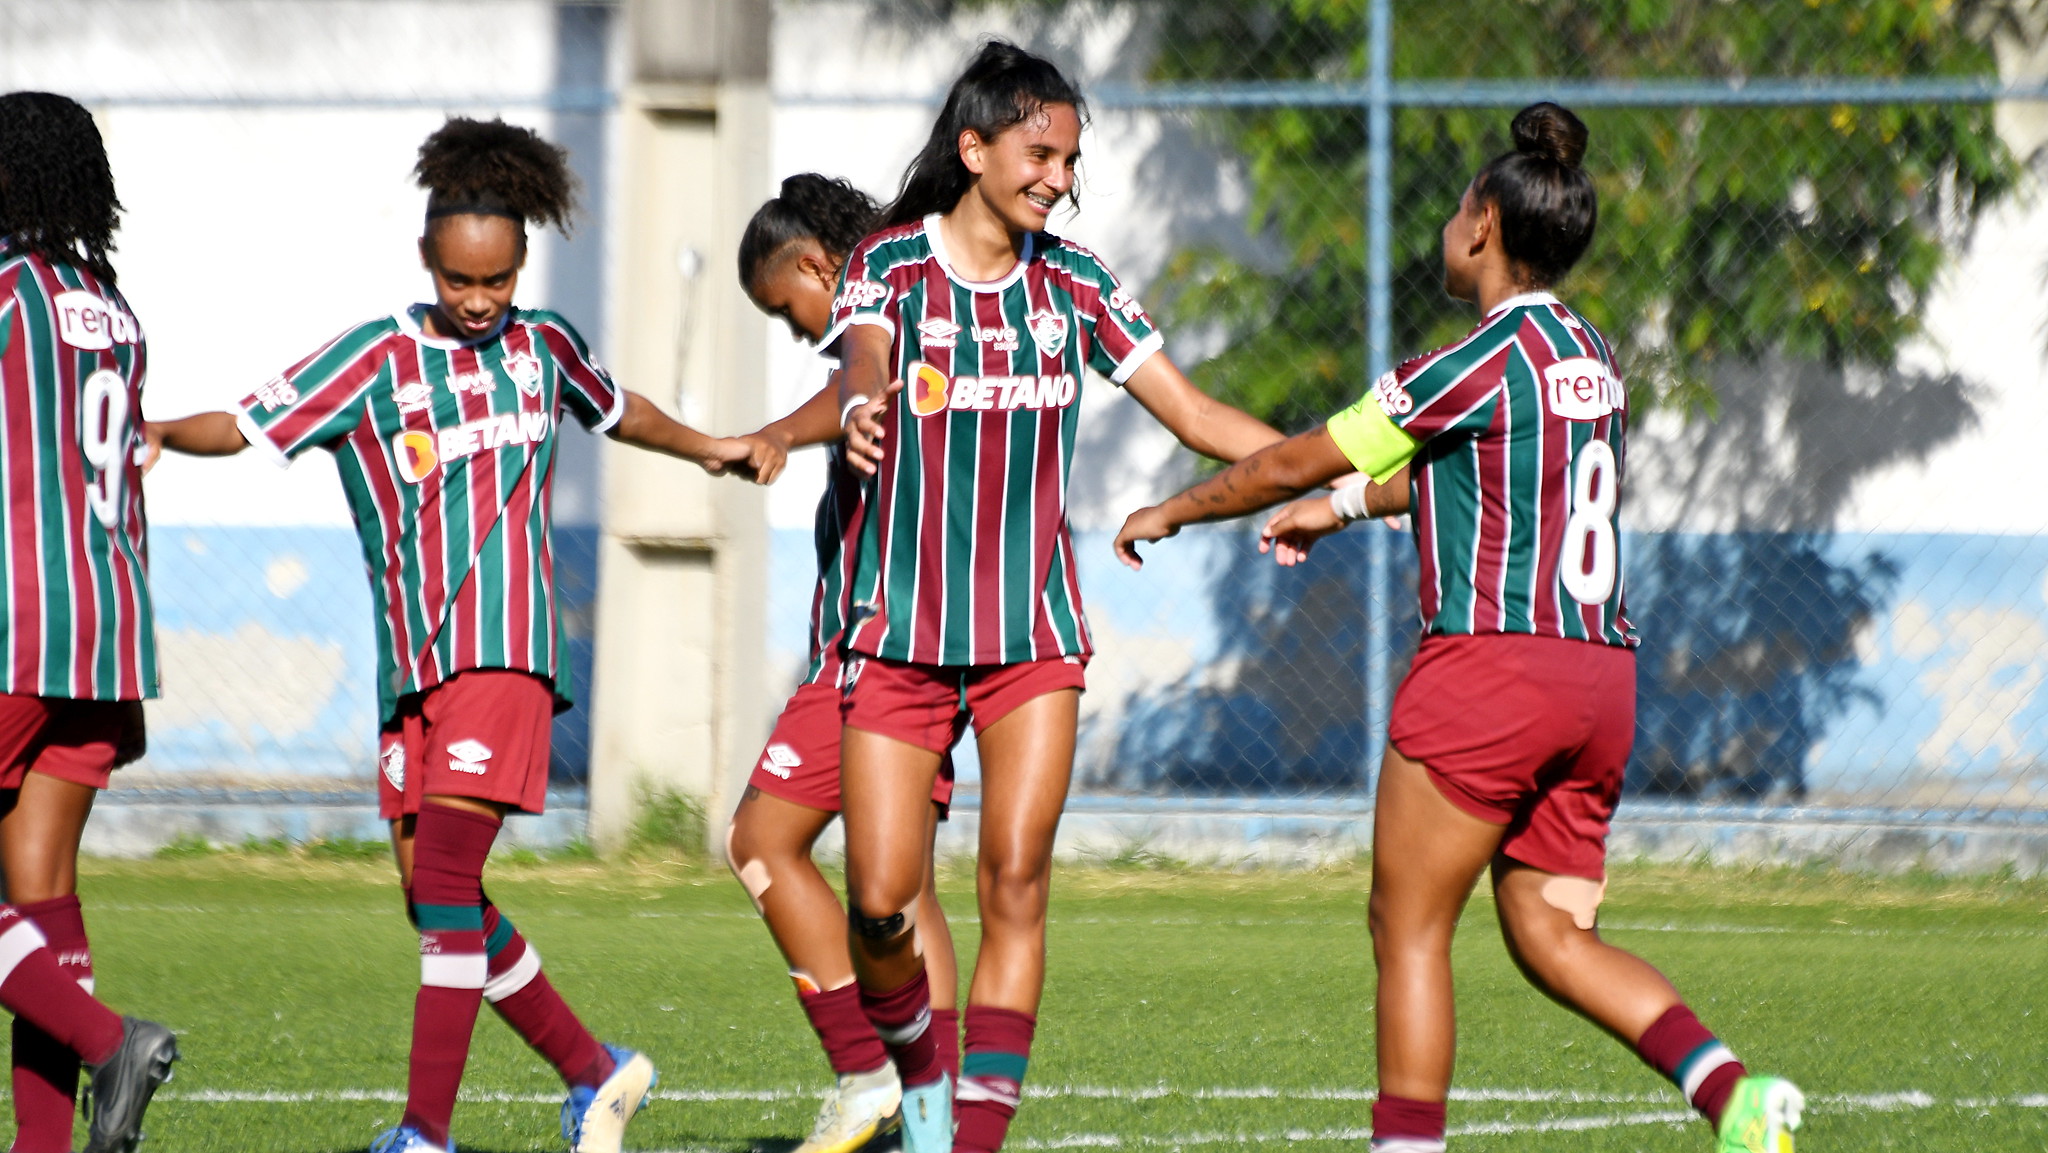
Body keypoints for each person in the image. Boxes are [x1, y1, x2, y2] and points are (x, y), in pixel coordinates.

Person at [1111, 103, 1804, 1153]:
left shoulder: (1472, 359)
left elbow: (1294, 456)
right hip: (1597, 681)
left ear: (1481, 226)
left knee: (1408, 925)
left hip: (1490, 673)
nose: (1444, 224)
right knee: (1546, 929)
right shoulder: (1591, 356)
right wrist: (1338, 511)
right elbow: (1478, 481)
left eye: (1452, 208)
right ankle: (1733, 1097)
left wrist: (1176, 507)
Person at [148, 117, 767, 1153]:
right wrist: (162, 432)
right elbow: (255, 419)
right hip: (414, 669)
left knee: (442, 887)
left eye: (497, 280)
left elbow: (622, 412)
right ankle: (596, 1070)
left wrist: (710, 448)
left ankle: (423, 1135)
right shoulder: (378, 358)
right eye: (459, 281)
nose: (479, 302)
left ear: (521, 261)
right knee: (434, 898)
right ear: (428, 261)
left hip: (506, 654)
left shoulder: (545, 347)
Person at [829, 42, 1287, 1153]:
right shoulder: (888, 266)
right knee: (881, 905)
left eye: (1071, 159)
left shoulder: (1075, 283)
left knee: (1014, 878)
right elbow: (862, 358)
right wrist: (856, 407)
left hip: (1031, 637)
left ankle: (964, 1140)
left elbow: (1190, 412)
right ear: (974, 149)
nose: (1059, 178)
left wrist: (1321, 469)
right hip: (896, 639)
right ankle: (922, 1098)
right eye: (1041, 153)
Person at [726, 172, 963, 1153]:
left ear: (820, 267)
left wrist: (777, 432)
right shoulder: (934, 303)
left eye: (789, 309)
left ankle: (868, 1075)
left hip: (873, 648)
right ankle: (932, 1123)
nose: (797, 331)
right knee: (903, 888)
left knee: (760, 841)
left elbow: (846, 384)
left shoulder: (877, 316)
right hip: (944, 641)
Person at [0, 89, 183, 1153]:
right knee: (41, 894)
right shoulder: (111, 303)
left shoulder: (7, 293)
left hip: (16, 621)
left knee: (34, 898)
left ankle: (108, 1040)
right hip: (105, 622)